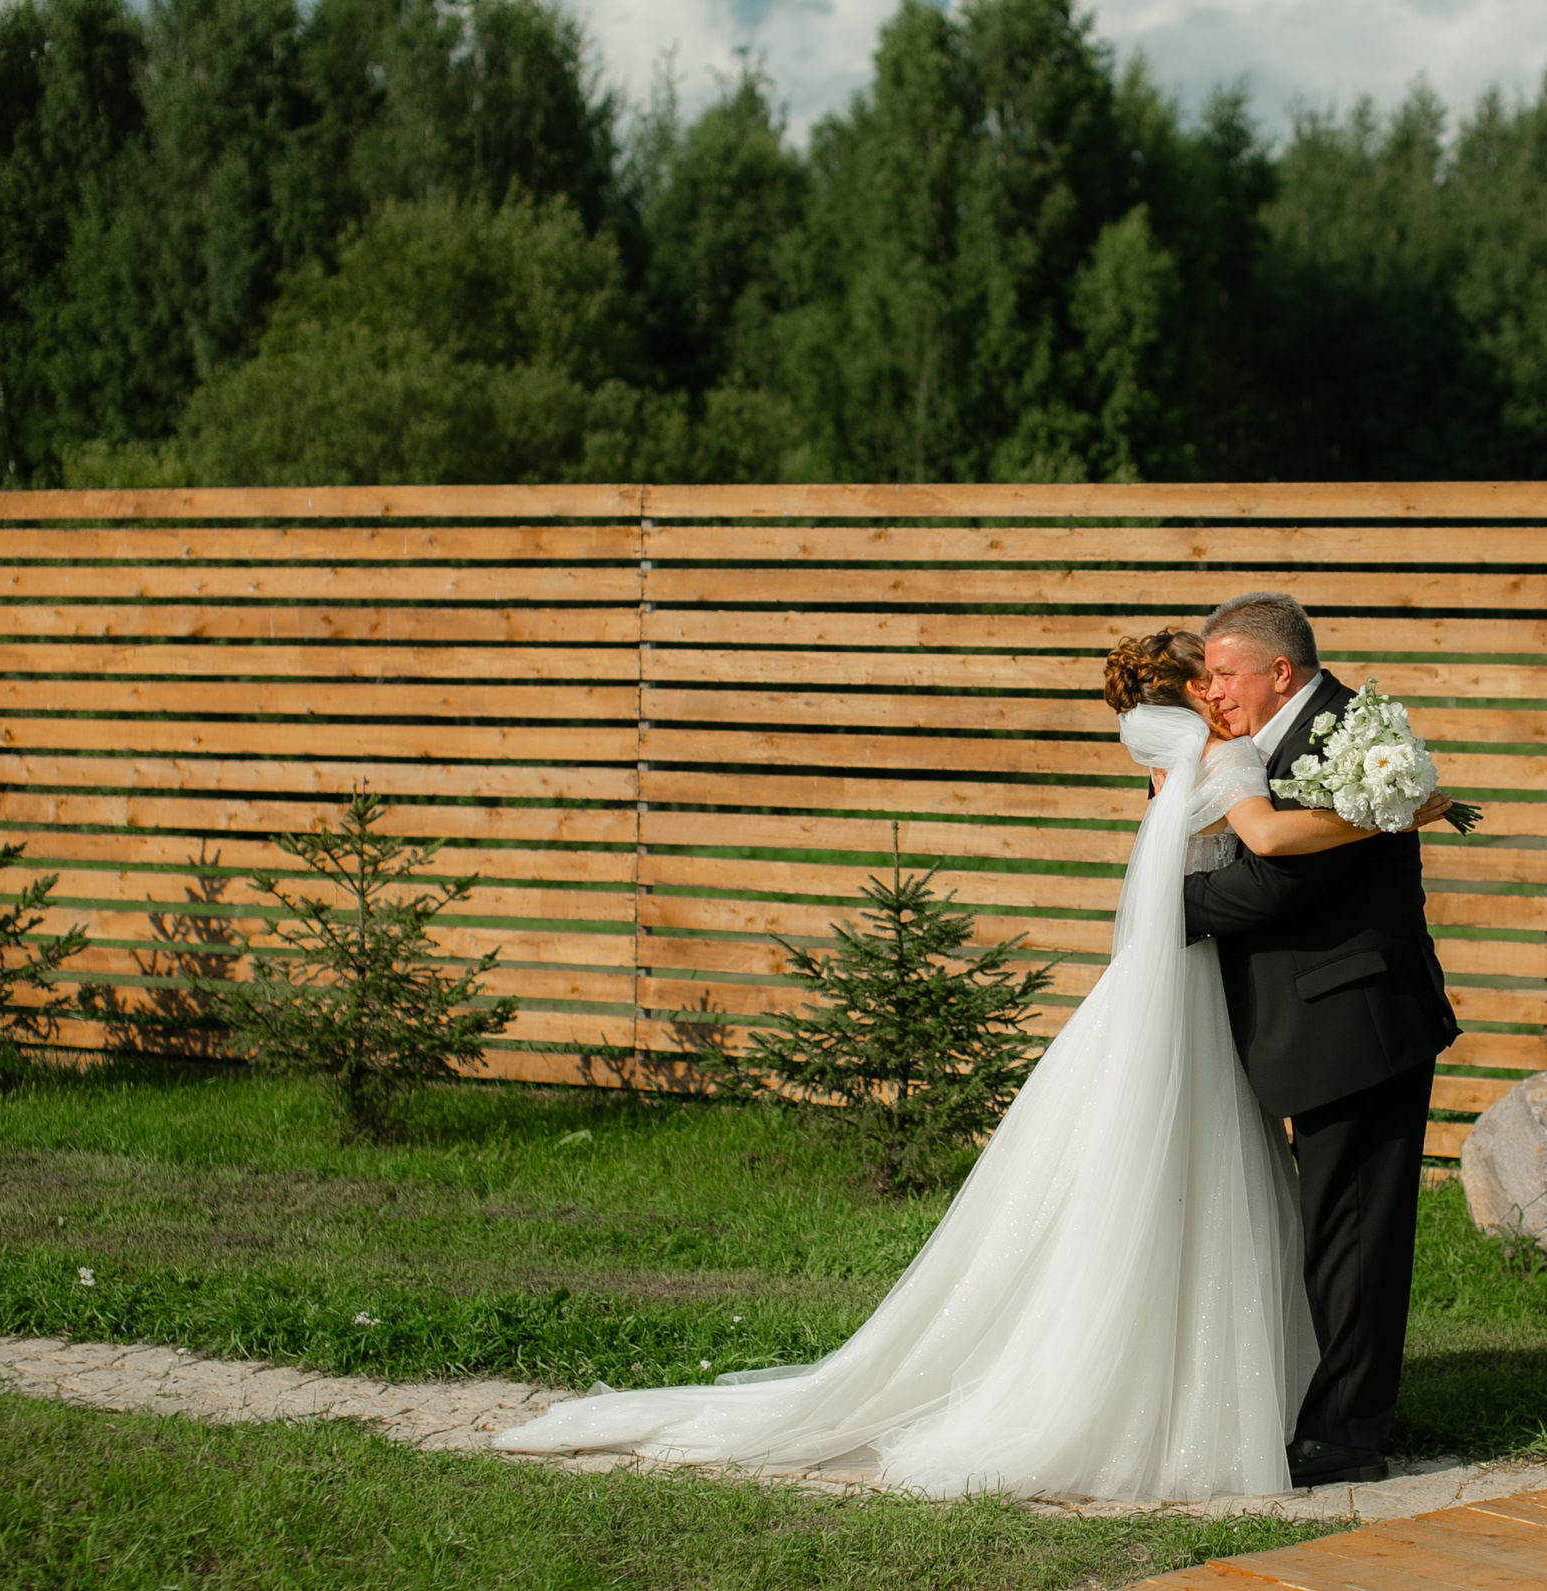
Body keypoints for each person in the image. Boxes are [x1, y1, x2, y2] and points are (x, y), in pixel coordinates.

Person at [492, 629, 1446, 1503]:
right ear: (1199, 686)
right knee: (1192, 1187)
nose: (1228, 692)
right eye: (1216, 675)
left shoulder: (1161, 750)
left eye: (1233, 671)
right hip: (1186, 986)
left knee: (1139, 1183)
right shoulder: (1228, 753)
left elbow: (1220, 863)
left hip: (1170, 987)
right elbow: (1270, 843)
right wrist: (1400, 806)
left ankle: (1207, 1390)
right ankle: (1242, 1398)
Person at [1184, 592, 1461, 1489]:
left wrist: (1162, 904)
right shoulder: (1269, 740)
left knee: (1354, 1231)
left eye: (1224, 672)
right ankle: (1321, 1397)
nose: (1211, 690)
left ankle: (1348, 1430)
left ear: (1280, 670)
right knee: (1328, 1225)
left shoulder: (1346, 737)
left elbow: (1274, 890)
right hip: (1302, 1023)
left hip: (1358, 1019)